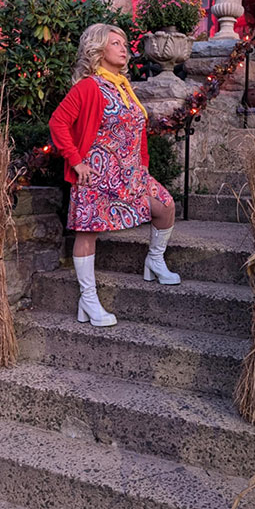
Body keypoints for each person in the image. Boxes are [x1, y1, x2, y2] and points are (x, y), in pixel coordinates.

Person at [49, 23, 179, 327]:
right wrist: (77, 161)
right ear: (98, 50)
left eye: (124, 43)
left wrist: (143, 162)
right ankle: (89, 298)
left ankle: (155, 261)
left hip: (131, 173)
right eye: (116, 43)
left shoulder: (124, 86)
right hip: (95, 172)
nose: (124, 48)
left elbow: (138, 128)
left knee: (165, 207)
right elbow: (58, 123)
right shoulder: (89, 86)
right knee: (87, 232)